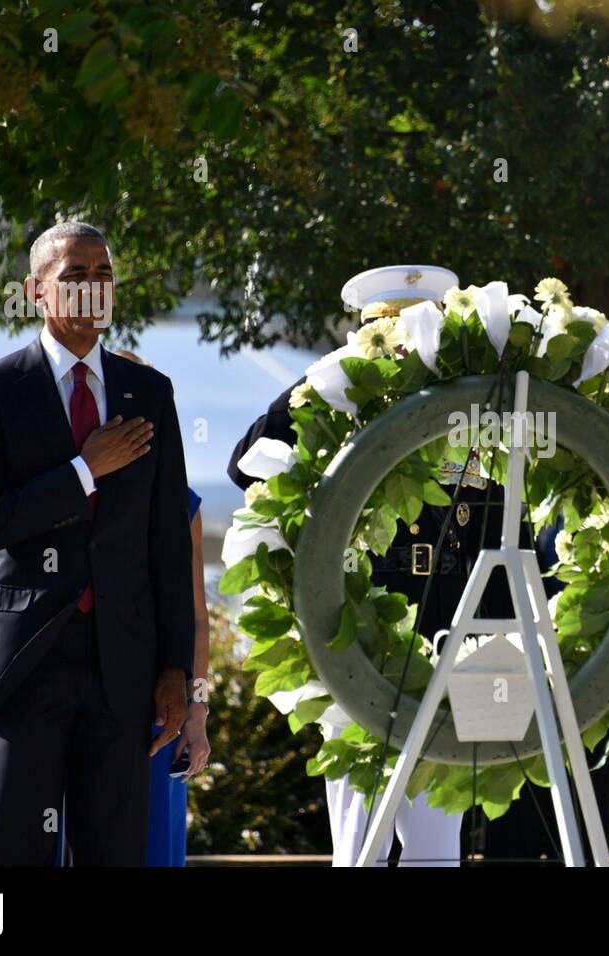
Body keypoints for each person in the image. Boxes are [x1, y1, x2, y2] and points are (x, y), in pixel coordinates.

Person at [228, 264, 489, 866]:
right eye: (387, 335)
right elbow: (247, 464)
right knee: (360, 840)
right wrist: (326, 383)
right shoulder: (335, 400)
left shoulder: (467, 406)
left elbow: (505, 514)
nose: (402, 350)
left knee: (436, 845)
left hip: (446, 637)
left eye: (415, 334)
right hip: (354, 638)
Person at [0, 221, 194, 866]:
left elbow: (168, 543)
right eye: (76, 276)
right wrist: (83, 471)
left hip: (124, 672)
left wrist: (178, 673)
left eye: (105, 275)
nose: (94, 288)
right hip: (26, 668)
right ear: (36, 292)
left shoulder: (151, 392)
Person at [113, 349, 212, 868]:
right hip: (79, 700)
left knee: (155, 846)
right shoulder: (71, 489)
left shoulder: (183, 504)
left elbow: (197, 616)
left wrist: (197, 711)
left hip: (161, 706)